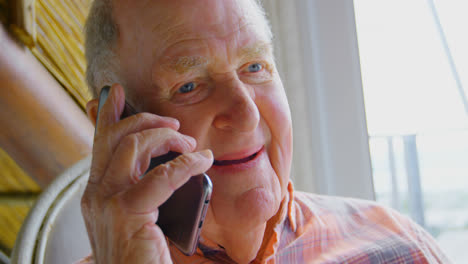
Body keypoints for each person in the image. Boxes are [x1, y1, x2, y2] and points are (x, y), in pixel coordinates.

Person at [78, 0, 450, 263]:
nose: (247, 114)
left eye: (255, 66)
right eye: (189, 86)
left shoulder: (401, 249)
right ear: (112, 126)